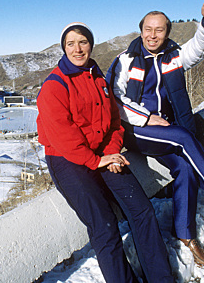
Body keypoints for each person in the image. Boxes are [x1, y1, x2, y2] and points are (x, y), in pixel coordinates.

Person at [106, 0, 204, 267]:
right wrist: (146, 118)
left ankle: (186, 235)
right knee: (181, 135)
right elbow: (114, 99)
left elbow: (199, 49)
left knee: (186, 169)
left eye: (159, 30)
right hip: (135, 131)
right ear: (141, 31)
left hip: (166, 134)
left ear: (167, 33)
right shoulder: (125, 60)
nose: (153, 35)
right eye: (148, 29)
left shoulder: (173, 56)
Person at [37, 22, 174, 283]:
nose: (78, 49)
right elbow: (63, 137)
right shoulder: (54, 85)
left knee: (142, 209)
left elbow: (113, 120)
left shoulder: (97, 77)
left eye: (83, 42)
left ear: (91, 44)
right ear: (63, 48)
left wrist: (110, 153)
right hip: (68, 160)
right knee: (104, 226)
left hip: (103, 152)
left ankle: (161, 278)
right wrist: (96, 160)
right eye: (71, 44)